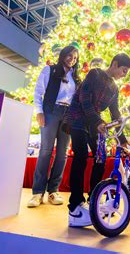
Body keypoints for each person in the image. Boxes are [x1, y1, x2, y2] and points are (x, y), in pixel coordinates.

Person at [63, 53, 130, 227]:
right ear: (115, 64)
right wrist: (97, 121)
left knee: (101, 158)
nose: (124, 74)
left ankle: (94, 199)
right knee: (81, 156)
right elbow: (83, 99)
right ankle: (75, 207)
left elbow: (115, 113)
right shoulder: (95, 74)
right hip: (77, 119)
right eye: (123, 70)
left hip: (94, 124)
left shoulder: (114, 88)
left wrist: (122, 139)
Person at [27, 45, 80, 208]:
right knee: (46, 150)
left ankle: (53, 190)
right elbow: (38, 92)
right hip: (51, 111)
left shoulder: (76, 78)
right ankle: (37, 192)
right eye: (70, 55)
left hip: (68, 115)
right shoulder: (49, 70)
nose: (73, 59)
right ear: (63, 55)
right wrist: (39, 111)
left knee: (62, 153)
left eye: (76, 57)